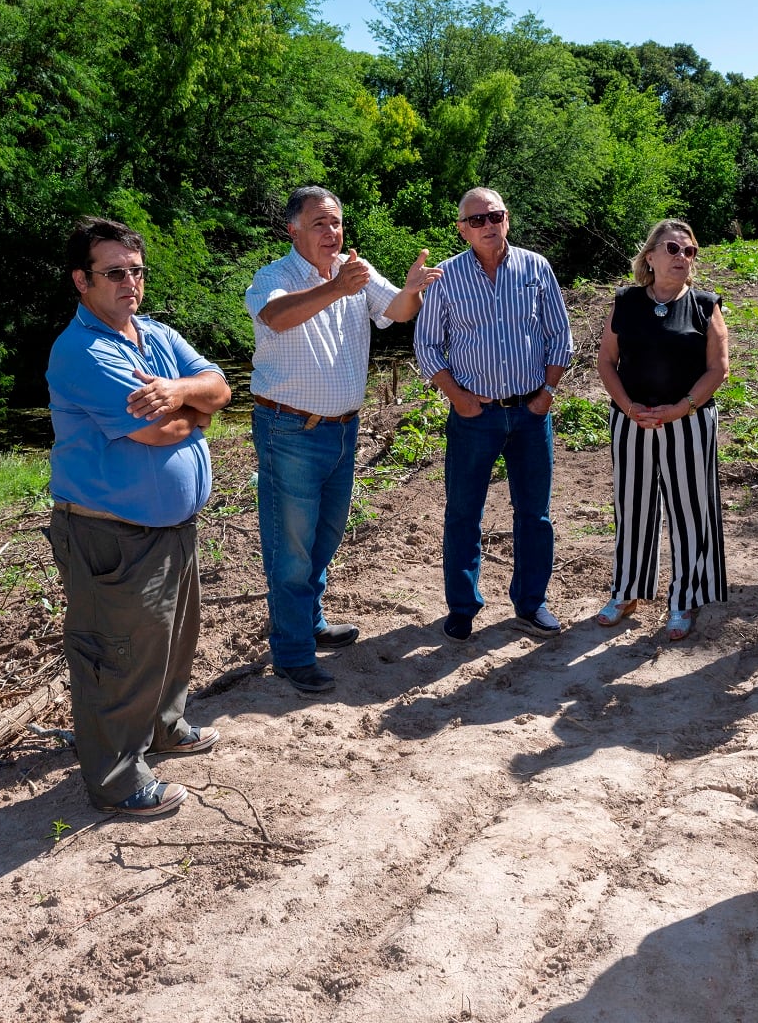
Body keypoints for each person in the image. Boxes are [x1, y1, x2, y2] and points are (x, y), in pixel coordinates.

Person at [46, 217, 232, 817]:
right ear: (82, 280)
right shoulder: (83, 350)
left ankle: (165, 729)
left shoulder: (154, 336)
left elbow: (222, 388)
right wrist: (192, 413)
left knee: (172, 640)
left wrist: (181, 392)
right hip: (112, 532)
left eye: (136, 271)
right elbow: (154, 431)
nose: (130, 282)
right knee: (117, 656)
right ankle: (118, 780)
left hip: (171, 527)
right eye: (114, 272)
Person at [245, 186, 441, 695]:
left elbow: (397, 312)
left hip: (342, 429)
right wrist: (337, 287)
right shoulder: (274, 278)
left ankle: (308, 622)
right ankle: (291, 653)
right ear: (293, 229)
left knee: (325, 536)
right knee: (290, 546)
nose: (332, 233)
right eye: (319, 224)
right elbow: (277, 317)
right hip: (289, 429)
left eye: (336, 223)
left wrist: (413, 289)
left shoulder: (357, 268)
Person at [413, 186, 575, 642]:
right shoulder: (445, 278)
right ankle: (463, 607)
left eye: (495, 216)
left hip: (530, 412)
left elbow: (559, 336)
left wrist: (547, 392)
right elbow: (426, 346)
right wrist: (456, 397)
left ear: (507, 219)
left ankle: (531, 602)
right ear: (463, 229)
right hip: (473, 416)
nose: (488, 226)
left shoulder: (536, 267)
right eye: (477, 220)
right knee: (463, 513)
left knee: (535, 514)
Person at [593, 219, 731, 640]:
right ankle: (626, 591)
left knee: (690, 513)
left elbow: (718, 369)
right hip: (632, 422)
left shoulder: (705, 305)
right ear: (649, 256)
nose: (681, 258)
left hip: (687, 424)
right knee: (631, 508)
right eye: (672, 249)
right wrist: (628, 406)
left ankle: (684, 600)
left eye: (689, 252)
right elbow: (605, 362)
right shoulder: (626, 302)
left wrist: (680, 408)